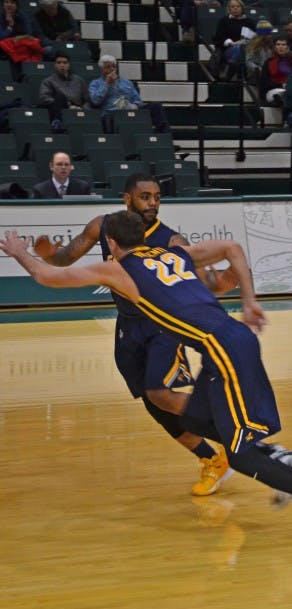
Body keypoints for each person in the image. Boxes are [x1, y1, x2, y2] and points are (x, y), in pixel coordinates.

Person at [1, 213, 292, 547]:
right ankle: (275, 455)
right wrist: (249, 301)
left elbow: (48, 276)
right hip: (225, 345)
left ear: (110, 242)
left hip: (224, 350)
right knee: (193, 418)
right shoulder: (173, 254)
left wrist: (19, 252)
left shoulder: (119, 270)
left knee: (240, 456)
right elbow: (232, 247)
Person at [29, 174, 249, 498]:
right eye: (146, 197)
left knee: (161, 394)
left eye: (157, 197)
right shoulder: (102, 226)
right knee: (154, 403)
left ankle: (236, 432)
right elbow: (64, 259)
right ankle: (213, 459)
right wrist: (47, 253)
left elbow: (200, 284)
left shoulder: (171, 240)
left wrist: (222, 284)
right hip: (128, 327)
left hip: (162, 325)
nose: (153, 203)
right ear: (127, 199)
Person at [88, 54, 171, 134]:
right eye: (108, 67)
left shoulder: (126, 82)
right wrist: (107, 84)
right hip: (112, 111)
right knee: (109, 116)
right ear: (102, 69)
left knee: (156, 106)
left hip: (130, 108)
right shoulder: (95, 83)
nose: (112, 69)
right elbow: (95, 101)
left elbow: (138, 100)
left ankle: (166, 136)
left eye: (114, 66)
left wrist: (135, 105)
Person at [36, 51, 89, 129]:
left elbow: (87, 100)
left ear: (69, 65)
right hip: (59, 111)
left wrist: (81, 109)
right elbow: (43, 98)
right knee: (60, 97)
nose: (62, 65)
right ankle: (57, 124)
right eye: (59, 62)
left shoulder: (79, 80)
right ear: (55, 65)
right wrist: (67, 106)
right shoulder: (48, 81)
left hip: (78, 111)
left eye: (65, 62)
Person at [212, 0, 255, 81]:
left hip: (247, 49)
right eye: (233, 7)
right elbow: (218, 38)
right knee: (238, 49)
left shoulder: (249, 22)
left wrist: (243, 42)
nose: (235, 8)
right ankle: (238, 74)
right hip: (228, 50)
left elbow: (254, 38)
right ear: (229, 9)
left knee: (241, 49)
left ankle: (230, 72)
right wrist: (231, 43)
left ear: (242, 8)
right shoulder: (224, 21)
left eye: (238, 6)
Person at [261, 36, 292, 107]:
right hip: (274, 90)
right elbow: (264, 82)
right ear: (275, 47)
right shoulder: (268, 62)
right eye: (278, 44)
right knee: (283, 94)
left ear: (287, 47)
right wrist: (281, 85)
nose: (280, 47)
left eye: (283, 44)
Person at [244, 19, 276, 87]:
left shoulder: (271, 45)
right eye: (268, 34)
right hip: (256, 75)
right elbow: (248, 62)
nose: (270, 36)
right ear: (262, 35)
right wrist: (258, 68)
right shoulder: (253, 46)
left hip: (268, 74)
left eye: (270, 34)